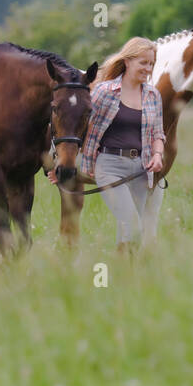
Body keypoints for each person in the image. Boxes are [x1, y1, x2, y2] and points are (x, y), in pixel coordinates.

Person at [71, 37, 165, 251]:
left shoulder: (153, 95)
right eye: (143, 63)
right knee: (133, 226)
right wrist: (64, 165)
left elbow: (158, 133)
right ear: (128, 61)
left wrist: (158, 155)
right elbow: (80, 128)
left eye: (151, 64)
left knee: (130, 232)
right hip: (110, 166)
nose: (148, 69)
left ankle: (125, 279)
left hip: (141, 168)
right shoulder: (104, 92)